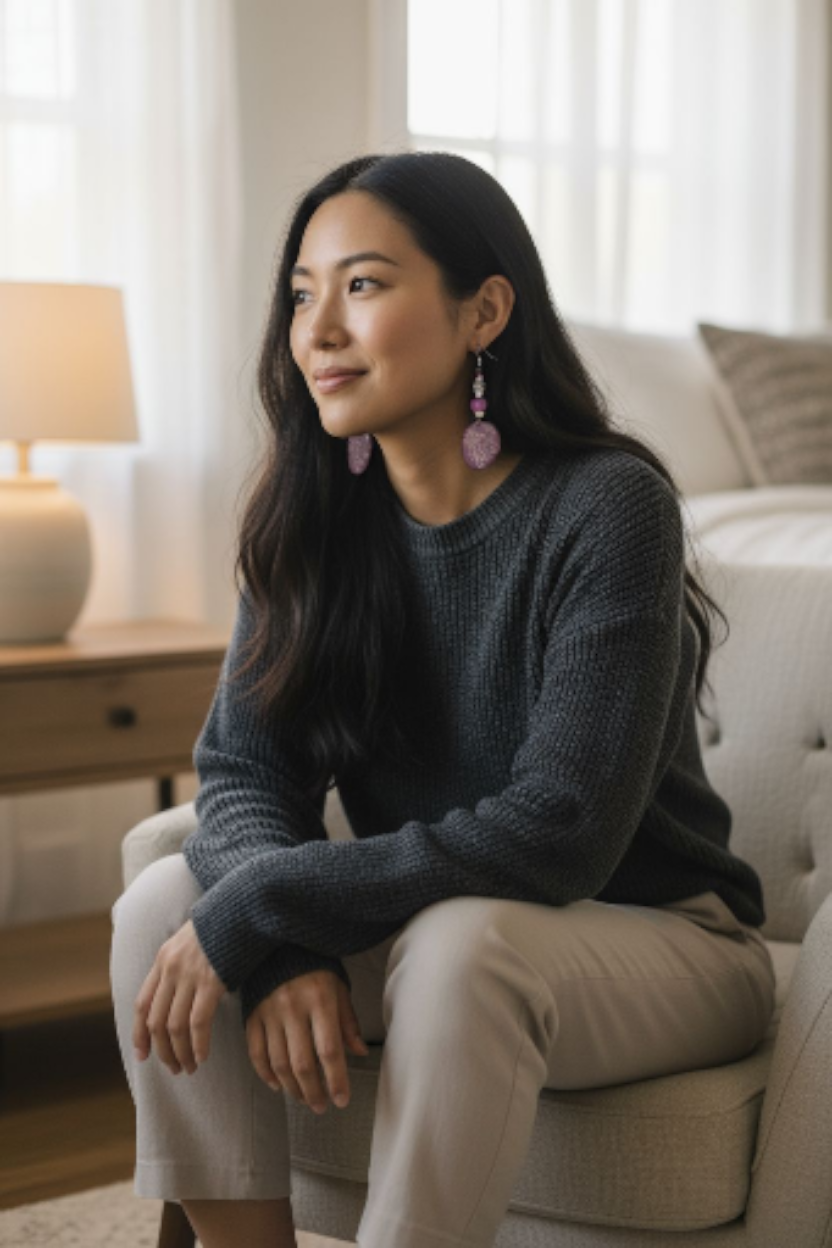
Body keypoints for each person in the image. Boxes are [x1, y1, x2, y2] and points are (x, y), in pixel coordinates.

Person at [110, 150, 776, 1248]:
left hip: (657, 942)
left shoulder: (609, 507)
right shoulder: (313, 519)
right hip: (440, 931)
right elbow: (243, 774)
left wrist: (272, 902)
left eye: (362, 285)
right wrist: (279, 943)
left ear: (484, 311)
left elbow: (558, 833)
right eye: (300, 294)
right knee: (155, 911)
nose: (317, 328)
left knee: (467, 945)